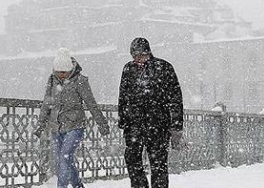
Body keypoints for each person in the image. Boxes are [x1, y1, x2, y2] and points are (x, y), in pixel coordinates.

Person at [35, 48, 110, 188]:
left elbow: (91, 103)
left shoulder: (80, 81)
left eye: (64, 72)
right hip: (56, 127)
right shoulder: (52, 80)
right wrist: (40, 124)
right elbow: (47, 103)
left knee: (65, 158)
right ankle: (78, 185)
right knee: (63, 161)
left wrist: (102, 124)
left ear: (70, 69)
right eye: (58, 71)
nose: (61, 75)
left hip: (75, 126)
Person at [118, 37, 184, 188]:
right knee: (132, 159)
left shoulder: (164, 67)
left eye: (141, 55)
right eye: (135, 56)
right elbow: (123, 96)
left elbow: (175, 98)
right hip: (134, 124)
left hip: (158, 125)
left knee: (158, 164)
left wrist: (176, 125)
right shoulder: (128, 69)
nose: (138, 59)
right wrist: (123, 120)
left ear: (148, 52)